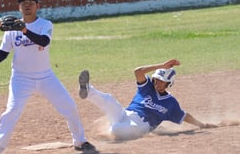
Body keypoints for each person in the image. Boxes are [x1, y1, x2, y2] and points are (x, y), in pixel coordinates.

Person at [0, 0, 94, 154]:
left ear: (37, 6)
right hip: (21, 78)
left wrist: (25, 30)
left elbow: (44, 41)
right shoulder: (12, 30)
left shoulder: (45, 24)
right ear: (19, 8)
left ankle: (80, 141)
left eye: (30, 3)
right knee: (11, 111)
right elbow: (3, 53)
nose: (27, 6)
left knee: (69, 106)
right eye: (23, 3)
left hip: (45, 77)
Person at [78, 59, 218, 141]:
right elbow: (138, 71)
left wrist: (202, 125)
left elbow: (184, 116)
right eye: (156, 79)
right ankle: (88, 90)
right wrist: (161, 66)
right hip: (125, 114)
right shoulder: (147, 86)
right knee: (108, 100)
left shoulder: (171, 102)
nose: (157, 83)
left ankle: (108, 133)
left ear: (169, 83)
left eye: (161, 81)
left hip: (141, 127)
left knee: (117, 128)